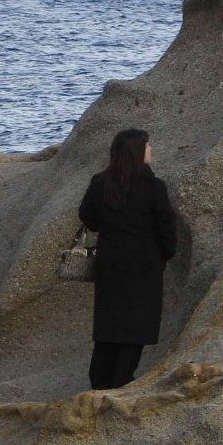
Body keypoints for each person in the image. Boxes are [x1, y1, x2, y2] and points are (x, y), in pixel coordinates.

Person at [78, 128, 178, 390]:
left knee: (108, 325)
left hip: (110, 261)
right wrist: (167, 252)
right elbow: (165, 224)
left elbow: (87, 216)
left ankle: (99, 382)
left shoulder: (101, 182)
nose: (151, 150)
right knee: (136, 325)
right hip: (143, 263)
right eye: (148, 146)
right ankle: (122, 380)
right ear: (137, 151)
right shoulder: (153, 186)